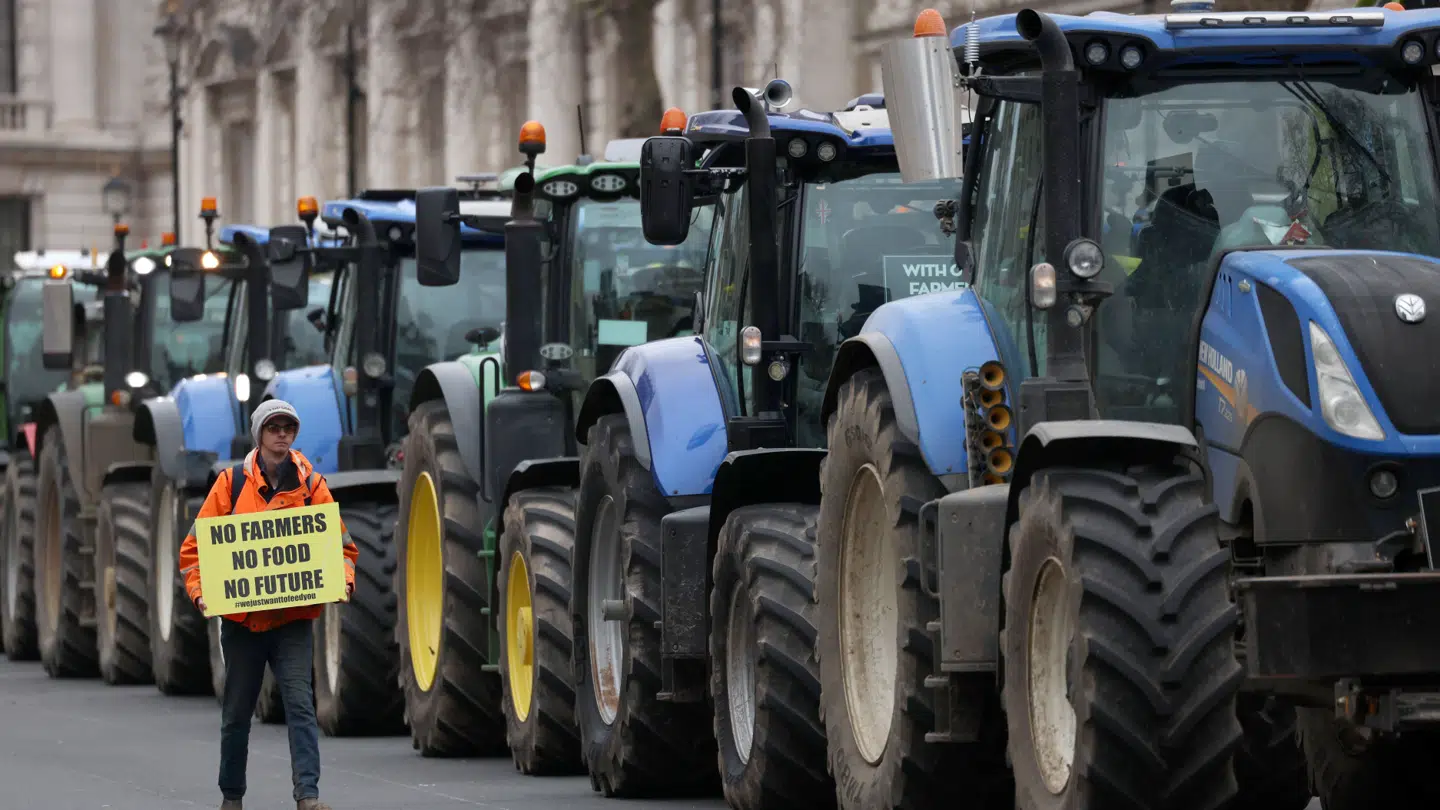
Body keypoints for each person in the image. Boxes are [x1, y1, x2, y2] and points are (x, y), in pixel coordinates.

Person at [179, 399, 358, 810]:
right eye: (273, 427)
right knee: (237, 713)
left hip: (293, 621)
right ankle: (232, 796)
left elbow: (342, 547)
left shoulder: (312, 485)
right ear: (259, 433)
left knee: (300, 706)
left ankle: (308, 797)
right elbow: (195, 550)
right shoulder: (230, 484)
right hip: (243, 623)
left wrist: (343, 581)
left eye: (288, 427)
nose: (281, 434)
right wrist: (202, 592)